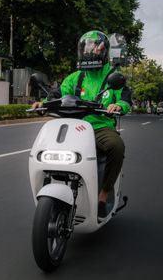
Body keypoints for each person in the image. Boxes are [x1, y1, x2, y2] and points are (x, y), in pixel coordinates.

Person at [32, 30, 132, 219]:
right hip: (73, 126)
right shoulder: (75, 77)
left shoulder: (112, 76)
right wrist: (43, 103)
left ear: (103, 51)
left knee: (116, 147)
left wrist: (118, 105)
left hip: (99, 127)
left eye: (94, 48)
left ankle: (103, 194)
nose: (89, 51)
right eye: (86, 47)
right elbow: (57, 94)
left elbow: (125, 98)